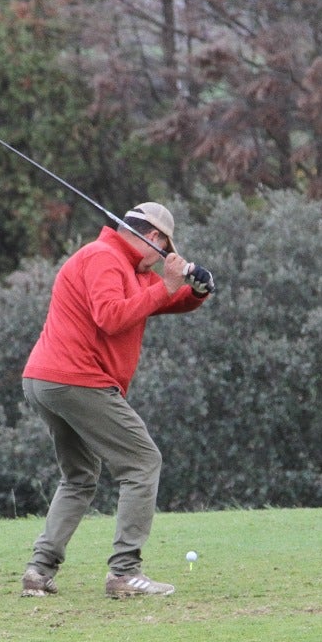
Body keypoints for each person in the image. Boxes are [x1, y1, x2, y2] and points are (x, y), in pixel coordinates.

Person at [18, 202, 215, 599]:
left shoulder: (130, 269)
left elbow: (163, 300)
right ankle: (124, 572)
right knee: (142, 462)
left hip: (48, 379)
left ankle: (39, 571)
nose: (162, 259)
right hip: (77, 379)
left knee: (78, 476)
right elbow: (111, 316)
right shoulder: (103, 258)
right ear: (154, 238)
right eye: (163, 249)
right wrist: (167, 283)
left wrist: (196, 290)